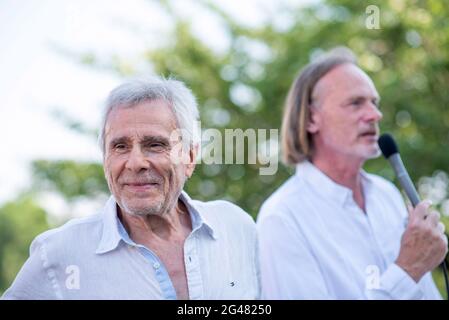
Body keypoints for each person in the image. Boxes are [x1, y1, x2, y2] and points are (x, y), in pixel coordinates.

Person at [2, 77, 259, 300]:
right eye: (120, 146)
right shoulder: (58, 254)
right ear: (105, 159)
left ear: (189, 158)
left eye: (155, 144)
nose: (135, 163)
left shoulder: (237, 228)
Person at [257, 47, 448, 299]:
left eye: (374, 103)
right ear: (310, 119)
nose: (374, 114)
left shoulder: (386, 194)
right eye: (355, 103)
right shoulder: (282, 219)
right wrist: (407, 270)